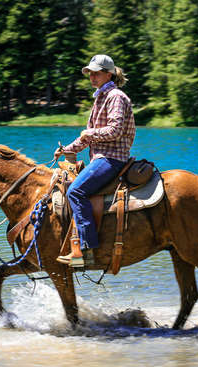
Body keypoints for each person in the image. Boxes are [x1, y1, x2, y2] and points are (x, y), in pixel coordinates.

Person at [54, 54, 136, 267]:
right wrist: (66, 150)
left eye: (96, 73)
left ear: (108, 74)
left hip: (112, 158)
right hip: (102, 158)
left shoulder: (116, 96)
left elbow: (115, 130)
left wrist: (88, 134)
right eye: (90, 73)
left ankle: (85, 247)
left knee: (75, 191)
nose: (92, 76)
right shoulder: (100, 97)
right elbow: (88, 136)